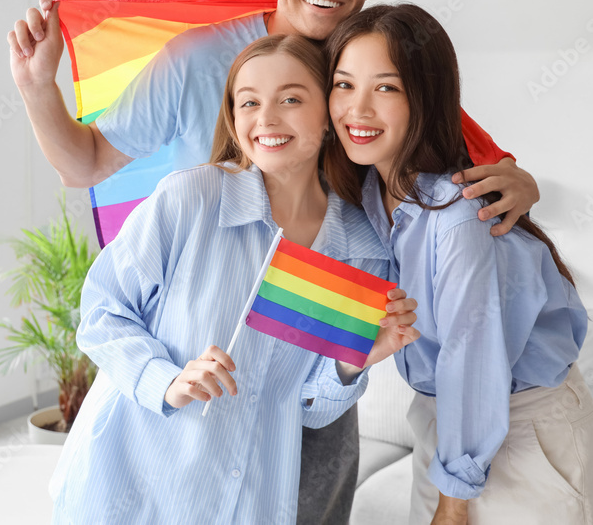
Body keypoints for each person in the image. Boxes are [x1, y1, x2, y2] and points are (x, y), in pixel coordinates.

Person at [10, 0, 540, 523]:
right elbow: (86, 167)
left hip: (310, 357)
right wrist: (37, 87)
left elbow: (447, 148)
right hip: (186, 365)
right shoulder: (196, 72)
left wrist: (518, 180)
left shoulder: (371, 70)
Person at [50, 34, 421, 524]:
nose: (266, 118)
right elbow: (102, 312)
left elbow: (310, 407)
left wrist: (355, 361)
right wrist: (167, 379)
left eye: (291, 99)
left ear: (329, 117)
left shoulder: (361, 250)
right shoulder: (190, 199)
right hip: (127, 483)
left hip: (250, 501)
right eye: (248, 102)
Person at [323, 3, 593, 525]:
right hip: (443, 424)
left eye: (386, 88)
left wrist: (453, 503)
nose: (357, 109)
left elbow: (469, 351)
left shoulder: (458, 214)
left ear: (425, 98)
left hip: (525, 432)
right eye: (344, 84)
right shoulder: (364, 198)